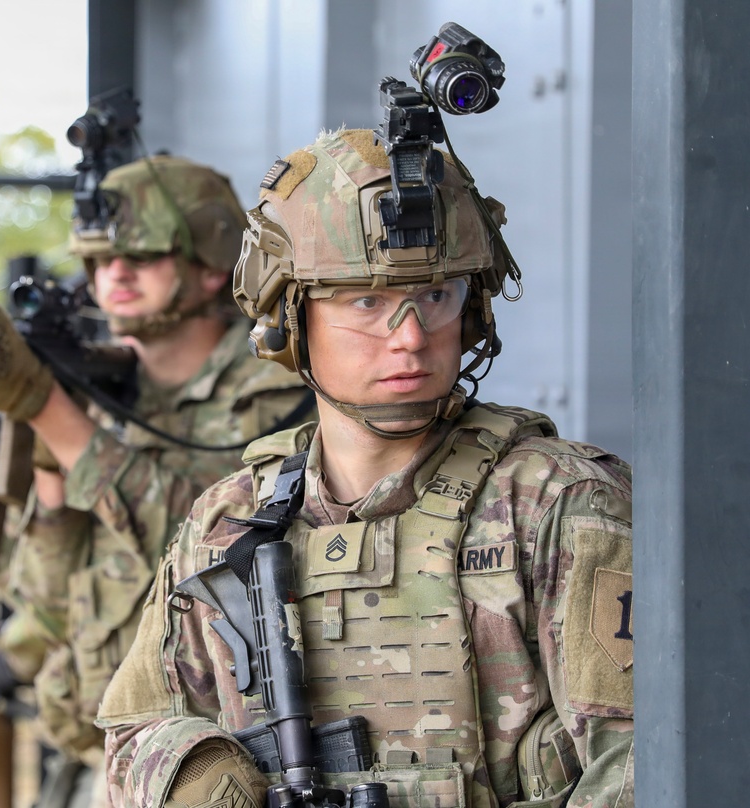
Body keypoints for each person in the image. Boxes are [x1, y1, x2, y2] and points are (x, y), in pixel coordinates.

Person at [95, 128, 634, 808]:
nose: (410, 335)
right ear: (290, 319)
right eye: (365, 302)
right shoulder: (229, 522)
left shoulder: (558, 504)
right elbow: (131, 733)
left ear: (472, 313)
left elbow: (645, 758)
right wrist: (193, 773)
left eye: (436, 296)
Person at [0, 154, 317, 806]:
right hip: (96, 748)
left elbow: (208, 545)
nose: (116, 275)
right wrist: (46, 477)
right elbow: (50, 602)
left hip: (209, 760)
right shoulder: (105, 393)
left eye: (144, 255)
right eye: (102, 261)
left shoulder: (275, 391)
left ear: (212, 263)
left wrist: (48, 409)